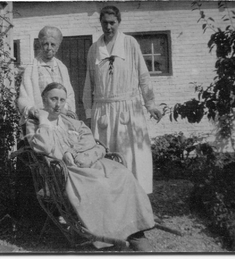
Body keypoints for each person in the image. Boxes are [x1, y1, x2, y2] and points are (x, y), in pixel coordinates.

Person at [26, 82, 156, 252]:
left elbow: (88, 138)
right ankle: (111, 236)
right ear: (44, 99)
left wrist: (73, 152)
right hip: (65, 171)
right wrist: (43, 121)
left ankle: (135, 232)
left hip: (86, 161)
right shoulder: (34, 123)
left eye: (62, 100)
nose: (58, 104)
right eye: (53, 99)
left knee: (124, 175)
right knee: (100, 185)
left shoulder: (69, 120)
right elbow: (43, 147)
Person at [82, 6, 162, 194]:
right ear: (100, 23)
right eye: (105, 23)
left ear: (119, 22)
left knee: (131, 155)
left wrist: (150, 104)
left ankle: (137, 199)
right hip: (103, 110)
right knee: (105, 157)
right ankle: (110, 203)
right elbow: (88, 83)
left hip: (128, 109)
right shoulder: (94, 49)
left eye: (112, 22)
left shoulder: (130, 43)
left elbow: (143, 75)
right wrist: (88, 112)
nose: (108, 27)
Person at [17, 26, 76, 123]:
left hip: (60, 118)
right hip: (40, 119)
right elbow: (24, 97)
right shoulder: (31, 68)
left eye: (53, 44)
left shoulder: (62, 68)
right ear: (40, 45)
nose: (49, 48)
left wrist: (64, 108)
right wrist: (32, 110)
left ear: (57, 47)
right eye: (45, 44)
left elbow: (69, 95)